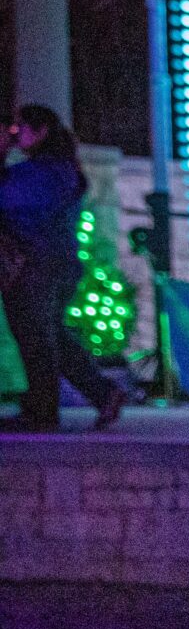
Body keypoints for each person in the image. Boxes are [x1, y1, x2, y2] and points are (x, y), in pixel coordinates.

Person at [0, 104, 124, 431]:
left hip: (38, 266)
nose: (16, 133)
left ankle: (43, 412)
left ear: (41, 132)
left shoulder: (49, 172)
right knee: (48, 336)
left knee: (36, 338)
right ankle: (102, 393)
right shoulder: (51, 169)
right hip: (47, 265)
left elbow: (10, 202)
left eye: (21, 126)